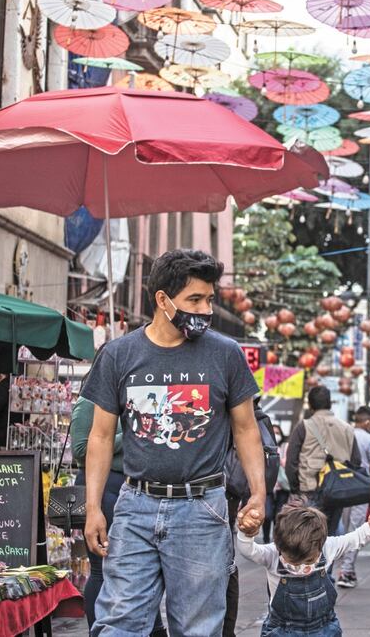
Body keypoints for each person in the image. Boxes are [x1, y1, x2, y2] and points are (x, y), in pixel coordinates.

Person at [81, 249, 266, 637]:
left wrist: (259, 493)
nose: (205, 310)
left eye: (209, 299)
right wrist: (93, 508)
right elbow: (99, 436)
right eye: (194, 300)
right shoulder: (118, 355)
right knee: (118, 623)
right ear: (163, 300)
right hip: (134, 506)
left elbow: (246, 429)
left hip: (202, 509)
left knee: (197, 627)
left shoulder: (226, 354)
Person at [71, 393, 166, 635]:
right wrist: (131, 435)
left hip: (133, 487)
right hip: (102, 489)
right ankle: (99, 630)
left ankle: (152, 628)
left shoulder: (133, 398)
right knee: (102, 568)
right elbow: (80, 449)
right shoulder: (89, 401)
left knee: (140, 569)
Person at [237, 503, 370, 636]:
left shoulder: (327, 546)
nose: (303, 569)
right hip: (283, 630)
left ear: (321, 544)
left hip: (324, 628)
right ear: (279, 546)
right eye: (293, 563)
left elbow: (358, 537)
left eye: (309, 561)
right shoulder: (272, 554)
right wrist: (246, 533)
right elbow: (248, 551)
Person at [285, 386, 361, 535]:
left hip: (309, 489)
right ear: (330, 404)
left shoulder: (303, 427)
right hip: (337, 490)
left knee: (308, 535)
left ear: (310, 405)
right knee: (330, 534)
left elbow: (291, 461)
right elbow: (356, 461)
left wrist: (296, 488)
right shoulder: (347, 428)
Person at [336, 408, 370, 588]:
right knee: (355, 529)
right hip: (360, 489)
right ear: (368, 422)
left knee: (343, 528)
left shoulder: (342, 434)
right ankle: (346, 571)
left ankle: (341, 567)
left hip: (341, 486)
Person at [262, 425, 291, 543]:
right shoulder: (263, 446)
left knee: (278, 515)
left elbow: (288, 463)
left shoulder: (285, 446)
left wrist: (278, 458)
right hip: (268, 485)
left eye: (278, 432)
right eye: (273, 432)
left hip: (283, 486)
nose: (276, 435)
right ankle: (265, 539)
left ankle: (276, 540)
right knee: (267, 514)